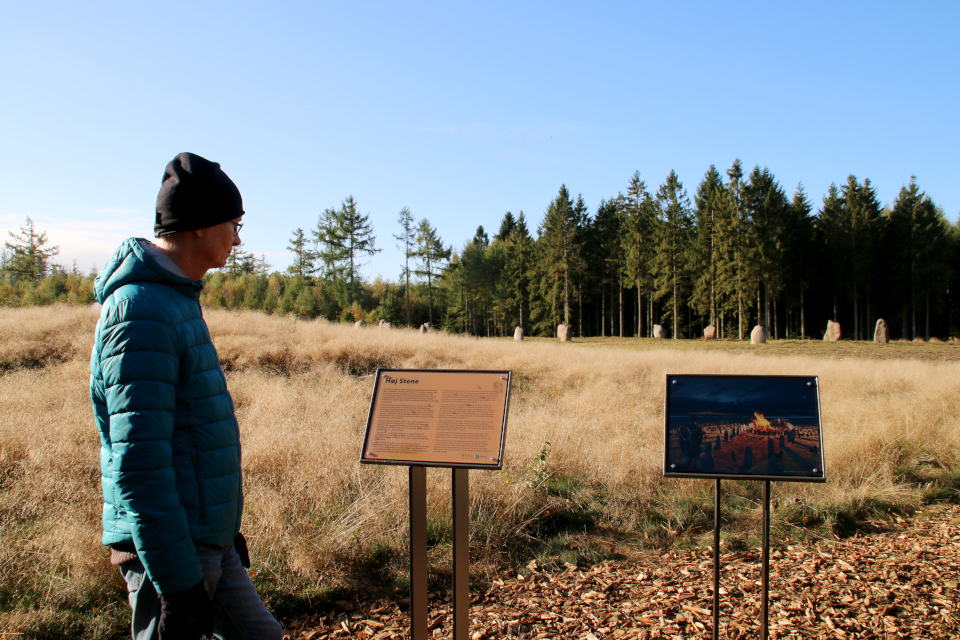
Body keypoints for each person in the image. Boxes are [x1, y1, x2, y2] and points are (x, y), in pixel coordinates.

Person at [90, 152, 283, 640]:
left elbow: (191, 433)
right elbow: (140, 463)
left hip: (205, 537)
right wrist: (178, 588)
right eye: (234, 225)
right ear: (198, 226)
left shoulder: (173, 298)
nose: (238, 239)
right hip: (170, 551)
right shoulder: (141, 312)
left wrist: (224, 530)